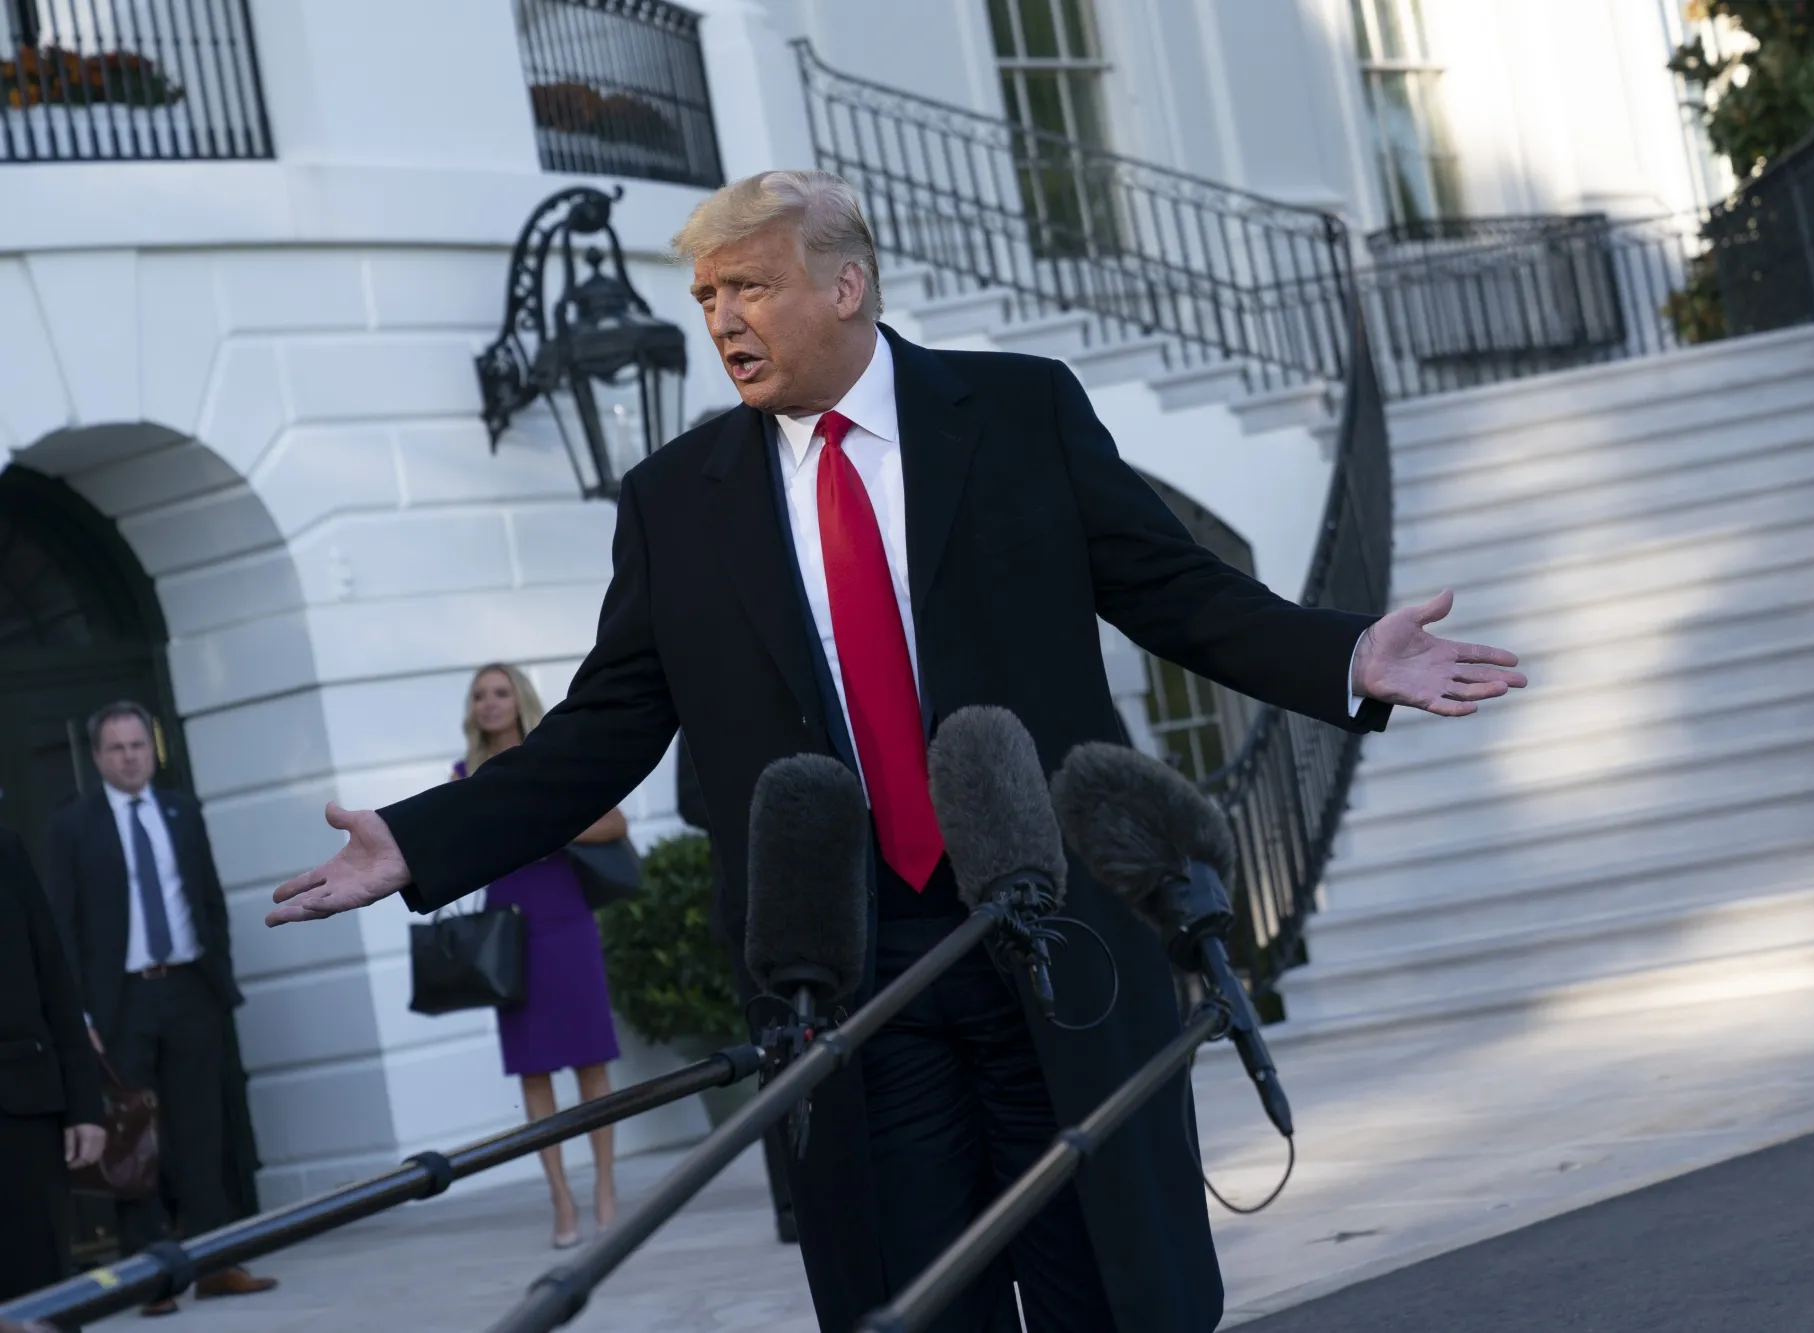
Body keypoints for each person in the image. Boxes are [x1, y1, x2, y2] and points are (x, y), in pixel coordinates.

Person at [266, 170, 1525, 1333]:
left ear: (844, 286)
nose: (722, 320)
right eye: (706, 296)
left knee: (1118, 1291)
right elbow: (604, 723)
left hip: (1052, 928)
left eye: (748, 286)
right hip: (846, 978)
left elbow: (1175, 590)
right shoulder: (674, 499)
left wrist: (1340, 656)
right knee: (913, 1300)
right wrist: (420, 836)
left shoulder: (1021, 412)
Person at [44, 702, 275, 1317]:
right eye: (117, 748)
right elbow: (61, 927)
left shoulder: (183, 811)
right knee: (132, 1141)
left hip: (189, 990)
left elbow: (208, 898)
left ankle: (218, 1263)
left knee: (204, 1130)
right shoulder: (73, 826)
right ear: (97, 757)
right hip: (118, 1002)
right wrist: (80, 1017)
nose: (129, 757)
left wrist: (216, 966)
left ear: (153, 750)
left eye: (138, 746)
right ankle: (152, 1280)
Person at [454, 663, 627, 1249]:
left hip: (566, 922)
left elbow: (614, 823)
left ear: (520, 699)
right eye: (480, 696)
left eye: (500, 693)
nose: (490, 703)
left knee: (591, 1064)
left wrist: (551, 824)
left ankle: (605, 1184)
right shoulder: (465, 775)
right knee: (533, 1071)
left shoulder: (555, 757)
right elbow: (458, 854)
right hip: (509, 932)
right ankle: (560, 1198)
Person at [675, 741, 798, 1246]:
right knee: (776, 1057)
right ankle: (792, 1206)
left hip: (837, 896)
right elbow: (690, 801)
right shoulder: (702, 697)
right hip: (752, 905)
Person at [0, 824, 105, 1303]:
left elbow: (53, 975)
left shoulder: (4, 844)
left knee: (39, 1300)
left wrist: (84, 1103)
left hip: (19, 1112)